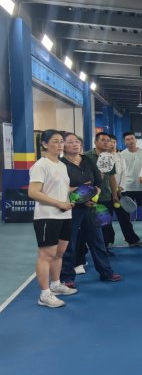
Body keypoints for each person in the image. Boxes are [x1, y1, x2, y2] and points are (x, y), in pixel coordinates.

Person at [60, 132, 122, 287]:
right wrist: (81, 194)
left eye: (77, 141)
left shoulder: (88, 161)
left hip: (91, 207)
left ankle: (106, 272)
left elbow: (98, 183)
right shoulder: (60, 165)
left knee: (98, 241)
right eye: (70, 142)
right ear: (63, 146)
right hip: (71, 209)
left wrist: (92, 195)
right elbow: (60, 188)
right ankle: (67, 277)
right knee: (69, 243)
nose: (75, 144)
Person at [28, 129, 77, 308]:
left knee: (59, 253)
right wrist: (58, 203)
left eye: (61, 141)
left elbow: (62, 189)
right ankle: (44, 294)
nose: (60, 145)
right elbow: (33, 192)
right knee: (46, 255)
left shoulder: (61, 165)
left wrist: (81, 190)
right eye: (55, 141)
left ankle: (55, 285)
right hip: (47, 216)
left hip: (65, 215)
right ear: (44, 144)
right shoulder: (41, 165)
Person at [84, 132, 119, 255]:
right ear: (95, 142)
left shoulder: (110, 157)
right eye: (103, 140)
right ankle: (83, 251)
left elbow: (112, 177)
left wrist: (114, 194)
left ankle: (104, 248)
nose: (106, 142)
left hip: (105, 197)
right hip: (89, 197)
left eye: (108, 140)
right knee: (88, 225)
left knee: (105, 224)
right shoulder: (86, 156)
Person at [108, 134, 142, 247]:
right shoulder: (102, 157)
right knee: (106, 219)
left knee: (125, 218)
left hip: (120, 192)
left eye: (114, 142)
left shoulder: (120, 156)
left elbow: (124, 173)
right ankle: (108, 241)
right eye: (109, 142)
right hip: (106, 193)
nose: (112, 144)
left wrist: (121, 187)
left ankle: (132, 240)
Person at [121, 132, 142, 210]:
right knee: (127, 211)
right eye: (128, 139)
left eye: (132, 138)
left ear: (136, 140)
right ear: (124, 142)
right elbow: (120, 172)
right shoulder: (122, 154)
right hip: (127, 187)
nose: (131, 141)